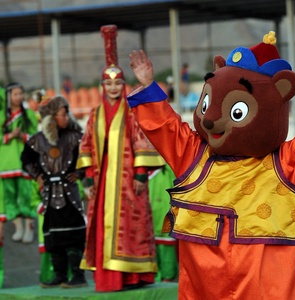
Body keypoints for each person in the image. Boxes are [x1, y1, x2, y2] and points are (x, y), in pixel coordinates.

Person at [127, 31, 295, 299]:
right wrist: (148, 86)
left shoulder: (282, 164)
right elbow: (166, 127)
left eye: (236, 112)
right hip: (205, 276)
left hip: (262, 274)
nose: (212, 118)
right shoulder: (194, 155)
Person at [76, 25, 165, 292]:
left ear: (123, 84)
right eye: (109, 83)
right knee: (104, 229)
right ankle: (108, 279)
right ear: (103, 85)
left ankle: (132, 277)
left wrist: (140, 174)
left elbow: (142, 141)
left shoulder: (130, 111)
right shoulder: (95, 114)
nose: (113, 87)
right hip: (103, 186)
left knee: (130, 228)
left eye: (118, 83)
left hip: (128, 183)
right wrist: (88, 179)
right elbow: (86, 146)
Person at [21, 95, 87, 288]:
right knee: (54, 237)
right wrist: (38, 176)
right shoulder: (38, 140)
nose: (67, 117)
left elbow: (88, 157)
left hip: (70, 194)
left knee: (74, 236)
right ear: (51, 117)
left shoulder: (75, 137)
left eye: (67, 113)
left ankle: (78, 276)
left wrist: (80, 173)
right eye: (62, 114)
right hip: (50, 194)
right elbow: (26, 159)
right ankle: (60, 275)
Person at [0, 83, 38, 244]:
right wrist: (9, 136)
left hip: (24, 162)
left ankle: (29, 226)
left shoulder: (28, 115)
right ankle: (18, 227)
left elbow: (35, 138)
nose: (19, 97)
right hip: (6, 163)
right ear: (8, 97)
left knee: (26, 195)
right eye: (15, 94)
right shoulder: (2, 116)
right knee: (10, 197)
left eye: (21, 94)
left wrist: (21, 135)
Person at [148, 164, 178, 282]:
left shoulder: (167, 167)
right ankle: (153, 277)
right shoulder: (138, 168)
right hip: (144, 220)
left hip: (164, 216)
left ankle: (167, 277)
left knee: (166, 248)